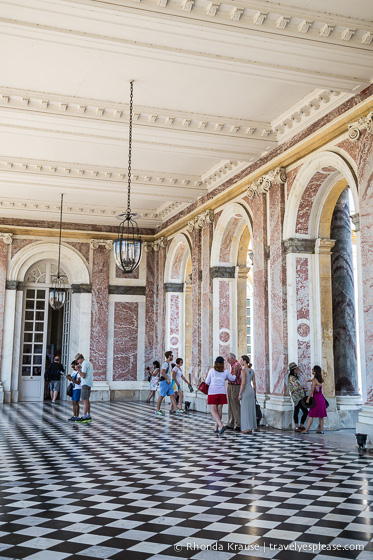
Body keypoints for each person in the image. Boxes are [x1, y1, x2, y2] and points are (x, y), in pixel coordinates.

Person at [205, 356, 236, 436]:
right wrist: (235, 373)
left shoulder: (212, 370)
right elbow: (232, 379)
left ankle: (221, 425)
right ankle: (216, 427)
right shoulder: (225, 371)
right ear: (223, 363)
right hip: (222, 392)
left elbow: (207, 381)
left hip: (213, 392)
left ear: (215, 363)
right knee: (219, 409)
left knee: (213, 410)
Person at [302, 365, 327, 434]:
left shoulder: (314, 380)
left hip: (316, 399)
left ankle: (306, 430)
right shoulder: (320, 379)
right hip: (321, 398)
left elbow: (312, 390)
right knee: (321, 416)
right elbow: (317, 385)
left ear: (315, 371)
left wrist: (308, 398)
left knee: (311, 415)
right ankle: (321, 430)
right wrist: (311, 380)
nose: (312, 371)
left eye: (313, 369)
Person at [156, 351, 179, 415]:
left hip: (169, 382)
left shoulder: (169, 363)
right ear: (169, 356)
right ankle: (157, 410)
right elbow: (162, 372)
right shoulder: (165, 363)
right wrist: (167, 379)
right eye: (172, 355)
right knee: (162, 396)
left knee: (172, 395)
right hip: (164, 382)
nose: (172, 356)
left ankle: (176, 409)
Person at [238, 355, 256, 434]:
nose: (240, 361)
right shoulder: (252, 371)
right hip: (251, 391)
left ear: (245, 361)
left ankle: (245, 428)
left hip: (245, 391)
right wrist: (254, 393)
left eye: (241, 360)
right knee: (251, 410)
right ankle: (250, 427)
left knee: (245, 410)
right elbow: (254, 383)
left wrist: (239, 393)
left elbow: (243, 383)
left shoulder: (243, 371)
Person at [288, 362, 308, 431]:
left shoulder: (295, 377)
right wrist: (302, 387)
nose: (297, 370)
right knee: (297, 411)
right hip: (297, 397)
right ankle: (297, 427)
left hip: (300, 396)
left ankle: (300, 426)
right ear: (292, 370)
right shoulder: (292, 377)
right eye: (295, 369)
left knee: (304, 411)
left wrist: (303, 389)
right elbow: (296, 386)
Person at [74, 353, 93, 423]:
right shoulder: (88, 363)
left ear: (80, 359)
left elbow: (83, 375)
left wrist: (78, 370)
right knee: (87, 400)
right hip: (89, 383)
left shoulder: (84, 364)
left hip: (85, 383)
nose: (77, 362)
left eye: (77, 361)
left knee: (84, 400)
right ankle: (88, 415)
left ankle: (84, 416)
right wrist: (80, 367)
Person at [226, 353, 242, 431]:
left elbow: (233, 378)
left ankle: (239, 423)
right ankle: (230, 423)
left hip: (235, 386)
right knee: (230, 404)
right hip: (230, 385)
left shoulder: (236, 365)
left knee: (235, 405)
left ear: (232, 358)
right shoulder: (233, 365)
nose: (227, 361)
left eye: (228, 359)